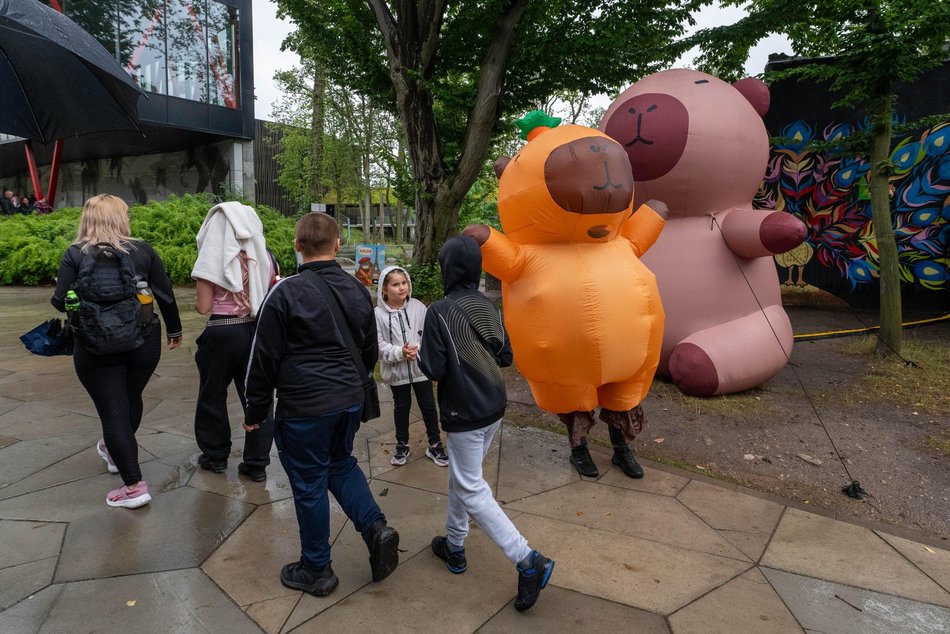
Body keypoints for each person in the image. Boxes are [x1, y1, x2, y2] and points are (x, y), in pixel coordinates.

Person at [243, 212, 399, 597]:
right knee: (340, 464)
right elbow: (368, 349)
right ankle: (376, 527)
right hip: (347, 400)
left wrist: (255, 411)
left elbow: (262, 359)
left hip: (304, 408)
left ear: (297, 246)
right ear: (335, 246)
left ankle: (316, 568)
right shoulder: (357, 290)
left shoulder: (283, 293)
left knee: (310, 482)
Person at [419, 236, 554, 613]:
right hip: (494, 406)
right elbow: (506, 356)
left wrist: (421, 350)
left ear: (446, 269)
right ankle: (455, 546)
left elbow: (432, 368)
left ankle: (528, 560)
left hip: (464, 413)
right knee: (464, 478)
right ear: (477, 269)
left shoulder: (440, 311)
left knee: (471, 487)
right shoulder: (488, 306)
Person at [51, 194, 183, 509]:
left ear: (88, 219)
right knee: (129, 398)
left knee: (112, 410)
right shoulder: (143, 250)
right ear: (121, 218)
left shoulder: (75, 254)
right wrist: (175, 330)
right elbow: (164, 294)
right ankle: (115, 451)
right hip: (144, 341)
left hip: (95, 345)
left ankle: (134, 486)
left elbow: (59, 301)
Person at [190, 202, 277, 481]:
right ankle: (257, 463)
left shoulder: (210, 260)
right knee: (257, 396)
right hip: (254, 332)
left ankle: (215, 456)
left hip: (221, 333)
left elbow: (203, 307)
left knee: (212, 394)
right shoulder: (264, 256)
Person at [374, 265, 447, 467]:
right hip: (397, 373)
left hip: (420, 369)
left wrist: (418, 350)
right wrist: (400, 352)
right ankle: (402, 444)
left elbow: (429, 334)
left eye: (404, 282)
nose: (401, 288)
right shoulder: (378, 315)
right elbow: (378, 345)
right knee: (401, 407)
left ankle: (435, 444)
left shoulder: (418, 307)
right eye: (395, 284)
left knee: (429, 407)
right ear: (384, 289)